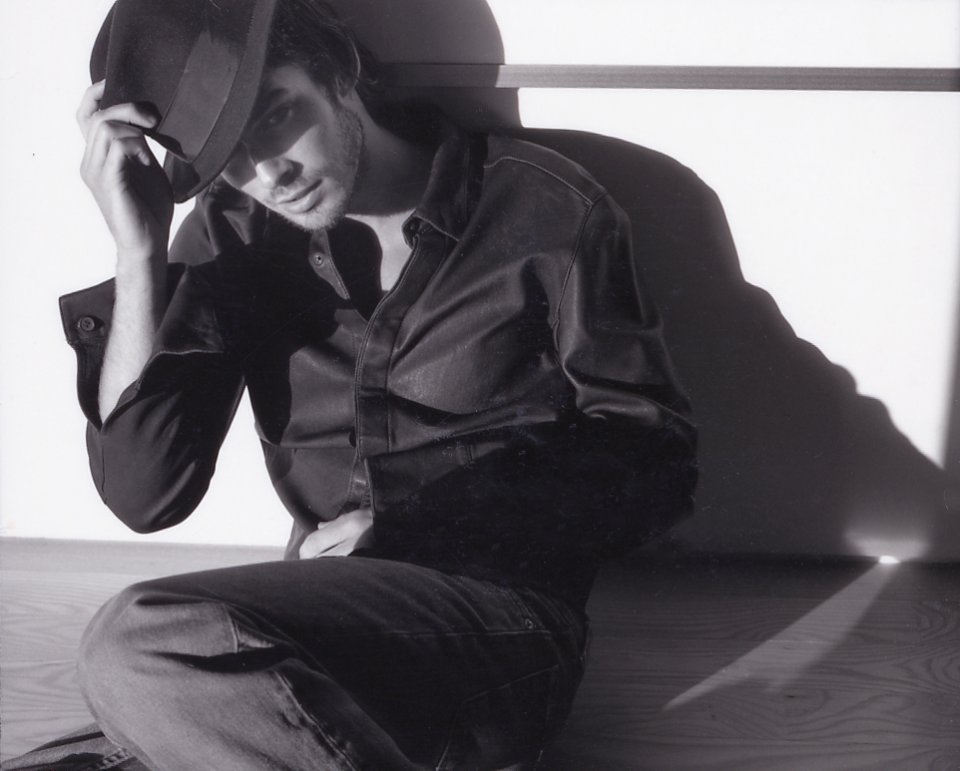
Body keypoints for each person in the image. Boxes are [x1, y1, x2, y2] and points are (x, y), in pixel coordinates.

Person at [6, 0, 696, 768]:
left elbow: (655, 460)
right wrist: (138, 249)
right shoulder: (232, 232)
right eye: (226, 155)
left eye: (275, 116)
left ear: (340, 72)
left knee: (135, 642)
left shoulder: (544, 208)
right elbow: (145, 490)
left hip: (496, 620)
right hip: (310, 634)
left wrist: (414, 518)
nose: (268, 174)